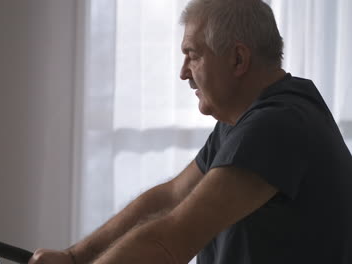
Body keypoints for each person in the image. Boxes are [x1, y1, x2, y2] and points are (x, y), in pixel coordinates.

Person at [29, 0, 352, 263]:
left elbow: (170, 242)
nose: (183, 73)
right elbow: (169, 197)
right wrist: (74, 257)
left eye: (192, 55)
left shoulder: (278, 125)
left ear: (238, 59)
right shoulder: (243, 122)